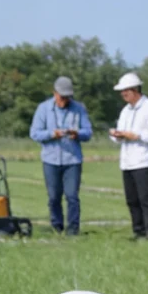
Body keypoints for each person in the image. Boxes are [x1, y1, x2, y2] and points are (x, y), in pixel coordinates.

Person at [29, 76, 92, 235]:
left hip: (72, 160)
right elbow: (34, 133)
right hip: (51, 160)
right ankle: (56, 227)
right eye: (62, 97)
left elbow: (88, 132)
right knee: (54, 197)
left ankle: (73, 230)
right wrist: (52, 134)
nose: (64, 100)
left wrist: (77, 134)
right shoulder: (43, 108)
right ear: (54, 93)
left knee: (72, 196)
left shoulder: (78, 108)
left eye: (68, 97)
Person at [109, 72, 148, 239]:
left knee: (145, 199)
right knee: (132, 200)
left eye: (125, 91)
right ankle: (138, 231)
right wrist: (116, 135)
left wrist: (137, 135)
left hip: (145, 161)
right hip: (127, 161)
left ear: (135, 90)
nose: (123, 94)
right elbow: (120, 136)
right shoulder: (125, 111)